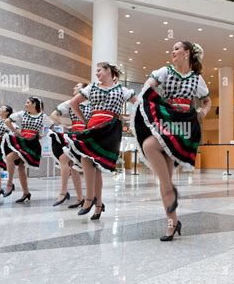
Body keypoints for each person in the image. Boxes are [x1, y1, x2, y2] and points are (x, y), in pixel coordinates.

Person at [132, 41, 211, 241]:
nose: (172, 51)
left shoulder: (197, 79)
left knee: (151, 146)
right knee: (160, 165)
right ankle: (172, 222)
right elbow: (148, 87)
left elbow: (207, 100)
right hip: (168, 118)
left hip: (185, 123)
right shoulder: (165, 71)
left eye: (177, 48)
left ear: (187, 53)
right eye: (173, 49)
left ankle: (168, 188)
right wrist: (152, 89)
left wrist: (203, 111)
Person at [65, 62, 136, 220]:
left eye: (99, 70)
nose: (96, 74)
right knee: (87, 158)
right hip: (93, 126)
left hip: (110, 128)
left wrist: (127, 118)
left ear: (109, 71)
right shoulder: (91, 87)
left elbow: (139, 104)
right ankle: (96, 204)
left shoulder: (122, 90)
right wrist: (85, 120)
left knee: (94, 163)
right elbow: (73, 103)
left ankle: (90, 199)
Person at [49, 83, 91, 208]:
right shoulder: (70, 103)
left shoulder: (93, 103)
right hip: (74, 136)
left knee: (73, 163)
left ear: (83, 89)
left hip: (88, 136)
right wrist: (66, 125)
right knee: (71, 165)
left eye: (76, 86)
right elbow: (53, 115)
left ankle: (68, 193)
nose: (73, 88)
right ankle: (79, 198)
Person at [2, 97, 52, 202]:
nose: (25, 104)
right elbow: (7, 121)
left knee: (14, 161)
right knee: (15, 163)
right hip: (22, 140)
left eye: (28, 102)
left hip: (32, 143)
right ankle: (24, 192)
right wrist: (16, 131)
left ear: (34, 104)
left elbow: (51, 126)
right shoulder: (22, 113)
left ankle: (11, 185)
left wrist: (42, 134)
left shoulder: (43, 116)